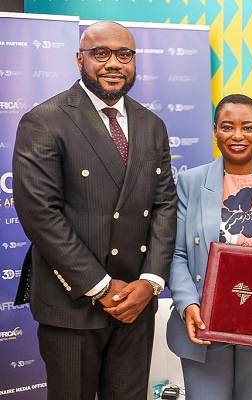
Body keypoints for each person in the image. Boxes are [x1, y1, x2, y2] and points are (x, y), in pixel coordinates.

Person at [12, 21, 177, 399]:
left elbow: (165, 204)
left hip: (136, 305)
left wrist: (150, 283)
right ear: (79, 59)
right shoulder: (45, 120)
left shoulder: (151, 125)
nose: (113, 63)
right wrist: (100, 287)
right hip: (73, 305)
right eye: (100, 53)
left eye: (124, 55)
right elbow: (40, 214)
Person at [166, 94, 252, 400]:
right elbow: (176, 253)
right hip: (204, 322)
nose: (238, 136)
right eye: (228, 127)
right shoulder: (190, 182)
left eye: (248, 127)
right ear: (215, 130)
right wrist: (188, 303)